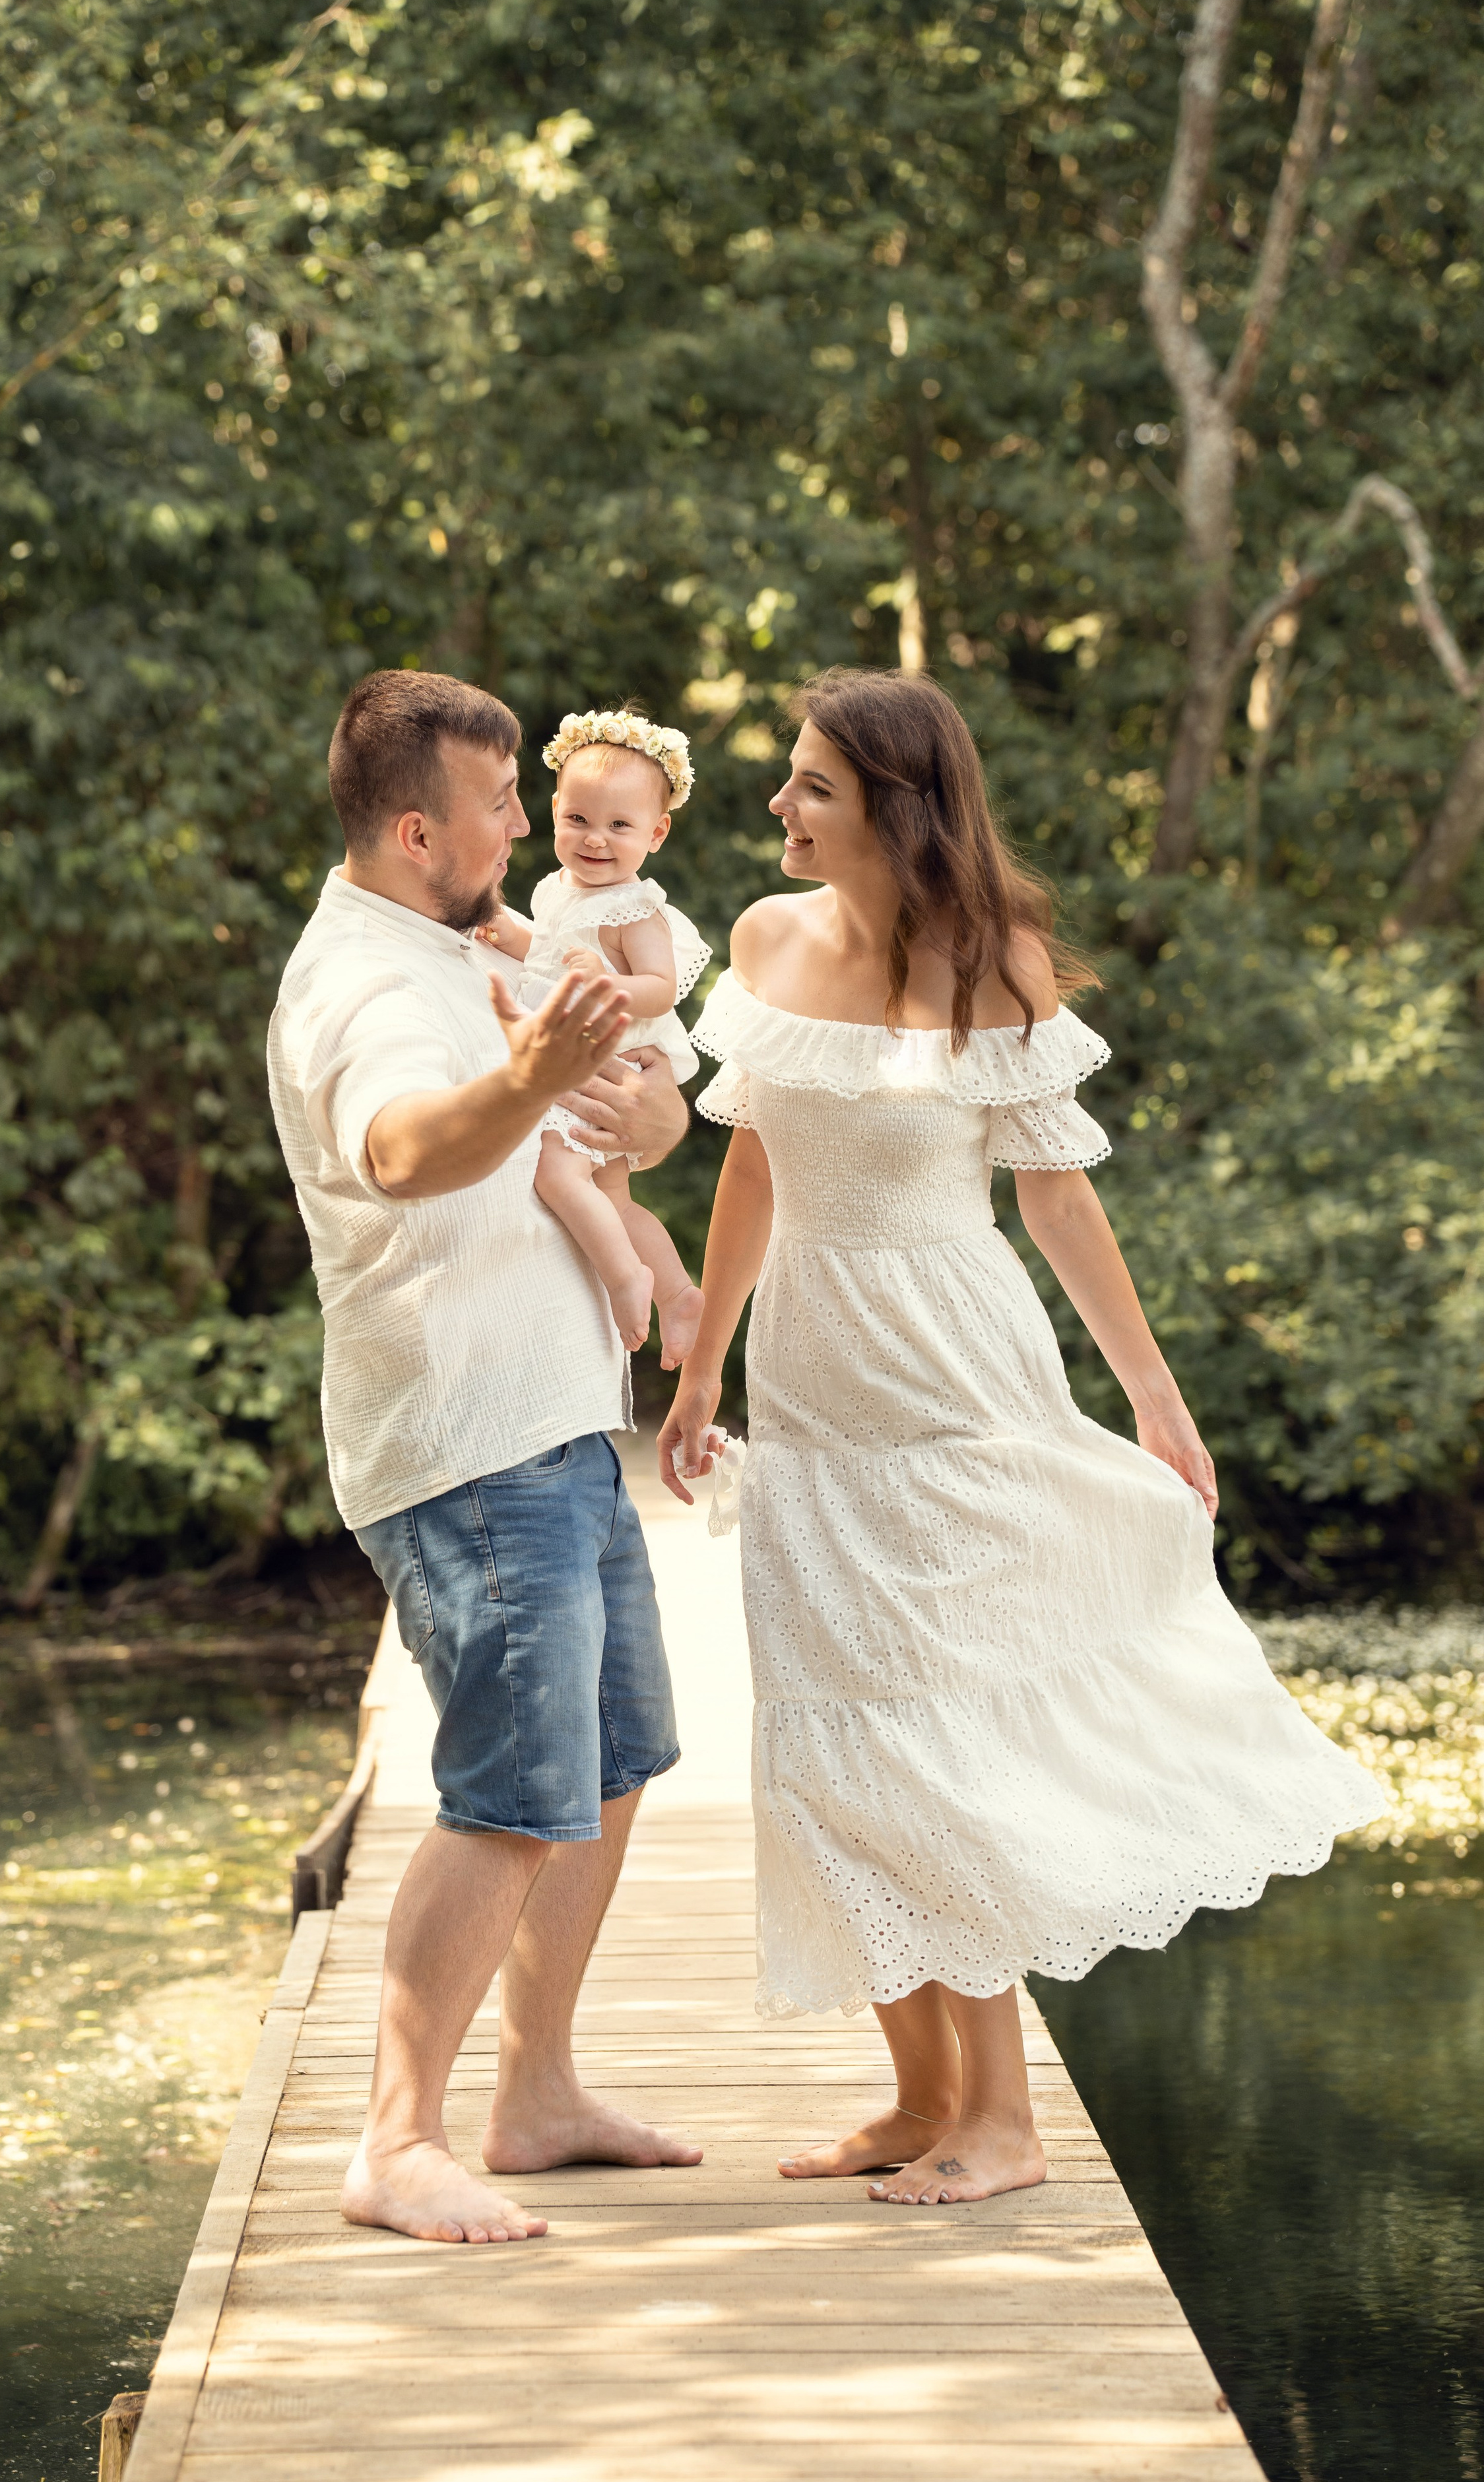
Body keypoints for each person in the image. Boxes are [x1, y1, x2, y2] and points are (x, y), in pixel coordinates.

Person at [658, 666, 1384, 2209]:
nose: (777, 807)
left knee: (933, 1732)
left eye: (810, 788)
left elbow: (1055, 1192)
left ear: (894, 810)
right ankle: (917, 2091)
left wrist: (1157, 1395)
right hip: (807, 1382)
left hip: (952, 1380)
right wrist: (704, 1362)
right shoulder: (764, 942)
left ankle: (1002, 2115)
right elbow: (747, 1167)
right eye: (786, 777)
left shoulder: (994, 964)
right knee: (820, 1731)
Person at [268, 667, 703, 2245]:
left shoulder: (469, 944)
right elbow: (398, 1150)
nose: (526, 823)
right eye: (495, 802)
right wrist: (529, 1075)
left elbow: (616, 1122)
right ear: (408, 829)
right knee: (513, 1790)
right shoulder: (365, 986)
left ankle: (534, 2093)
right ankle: (396, 2140)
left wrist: (631, 1109)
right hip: (462, 1445)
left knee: (607, 1762)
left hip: (560, 1418)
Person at [478, 707, 709, 1367]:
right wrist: (505, 933)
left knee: (555, 1169)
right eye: (578, 820)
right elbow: (548, 953)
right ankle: (676, 1290)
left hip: (610, 1050)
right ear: (554, 810)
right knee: (609, 1194)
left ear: (656, 833)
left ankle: (625, 1277)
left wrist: (606, 980)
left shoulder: (635, 907)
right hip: (585, 1048)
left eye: (620, 826)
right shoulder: (559, 890)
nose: (595, 840)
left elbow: (660, 988)